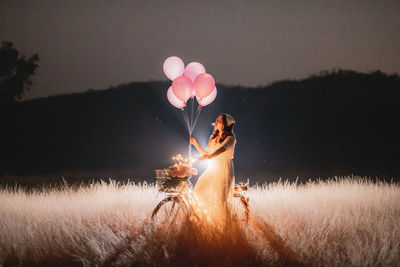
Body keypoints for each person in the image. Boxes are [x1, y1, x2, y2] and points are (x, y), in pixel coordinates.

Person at [189, 113, 236, 226]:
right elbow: (207, 153)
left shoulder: (231, 138)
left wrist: (209, 157)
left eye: (221, 120)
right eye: (218, 119)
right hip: (212, 168)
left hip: (224, 168)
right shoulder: (212, 138)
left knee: (220, 198)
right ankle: (203, 220)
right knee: (199, 188)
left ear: (226, 125)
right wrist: (195, 143)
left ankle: (223, 226)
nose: (218, 121)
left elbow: (222, 150)